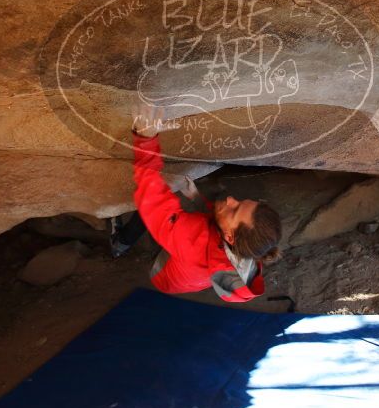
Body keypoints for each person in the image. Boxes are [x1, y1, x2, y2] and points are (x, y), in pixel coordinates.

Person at [110, 105, 282, 303]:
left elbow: (152, 198)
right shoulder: (251, 248)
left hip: (164, 273)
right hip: (192, 277)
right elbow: (220, 228)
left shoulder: (190, 239)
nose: (230, 199)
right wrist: (198, 200)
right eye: (240, 202)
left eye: (234, 210)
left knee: (147, 215)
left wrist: (146, 139)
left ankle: (119, 244)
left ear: (229, 237)